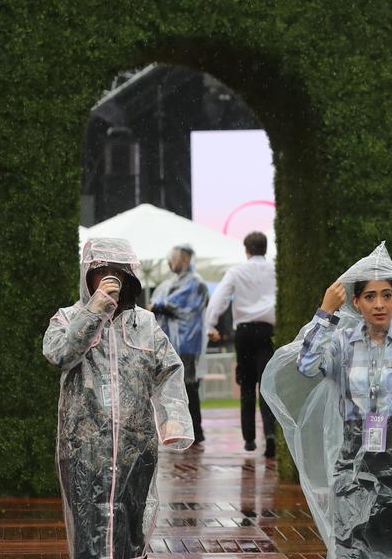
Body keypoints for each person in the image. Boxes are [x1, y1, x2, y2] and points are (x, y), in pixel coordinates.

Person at [260, 242, 392, 559]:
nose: (379, 304)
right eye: (369, 296)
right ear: (356, 302)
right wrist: (325, 311)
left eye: (387, 295)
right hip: (356, 455)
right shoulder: (341, 342)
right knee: (353, 545)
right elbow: (306, 365)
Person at [44, 237, 193, 559]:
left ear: (130, 277)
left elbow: (169, 370)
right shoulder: (67, 318)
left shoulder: (145, 323)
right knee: (89, 527)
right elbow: (59, 354)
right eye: (103, 271)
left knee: (131, 527)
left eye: (118, 271)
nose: (111, 278)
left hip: (136, 447)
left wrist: (174, 415)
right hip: (84, 448)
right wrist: (93, 312)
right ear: (88, 275)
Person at [205, 231, 278, 456]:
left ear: (246, 250)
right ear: (265, 249)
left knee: (246, 386)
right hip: (268, 331)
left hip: (245, 332)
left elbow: (219, 298)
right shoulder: (276, 270)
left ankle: (249, 439)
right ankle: (270, 433)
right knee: (267, 385)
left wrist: (211, 325)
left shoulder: (236, 272)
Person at [150, 243, 211, 445]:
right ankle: (181, 429)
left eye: (173, 259)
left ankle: (195, 431)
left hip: (187, 344)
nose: (170, 263)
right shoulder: (172, 283)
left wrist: (158, 306)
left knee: (189, 386)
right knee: (174, 388)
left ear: (184, 260)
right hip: (174, 344)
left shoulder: (195, 283)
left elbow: (179, 306)